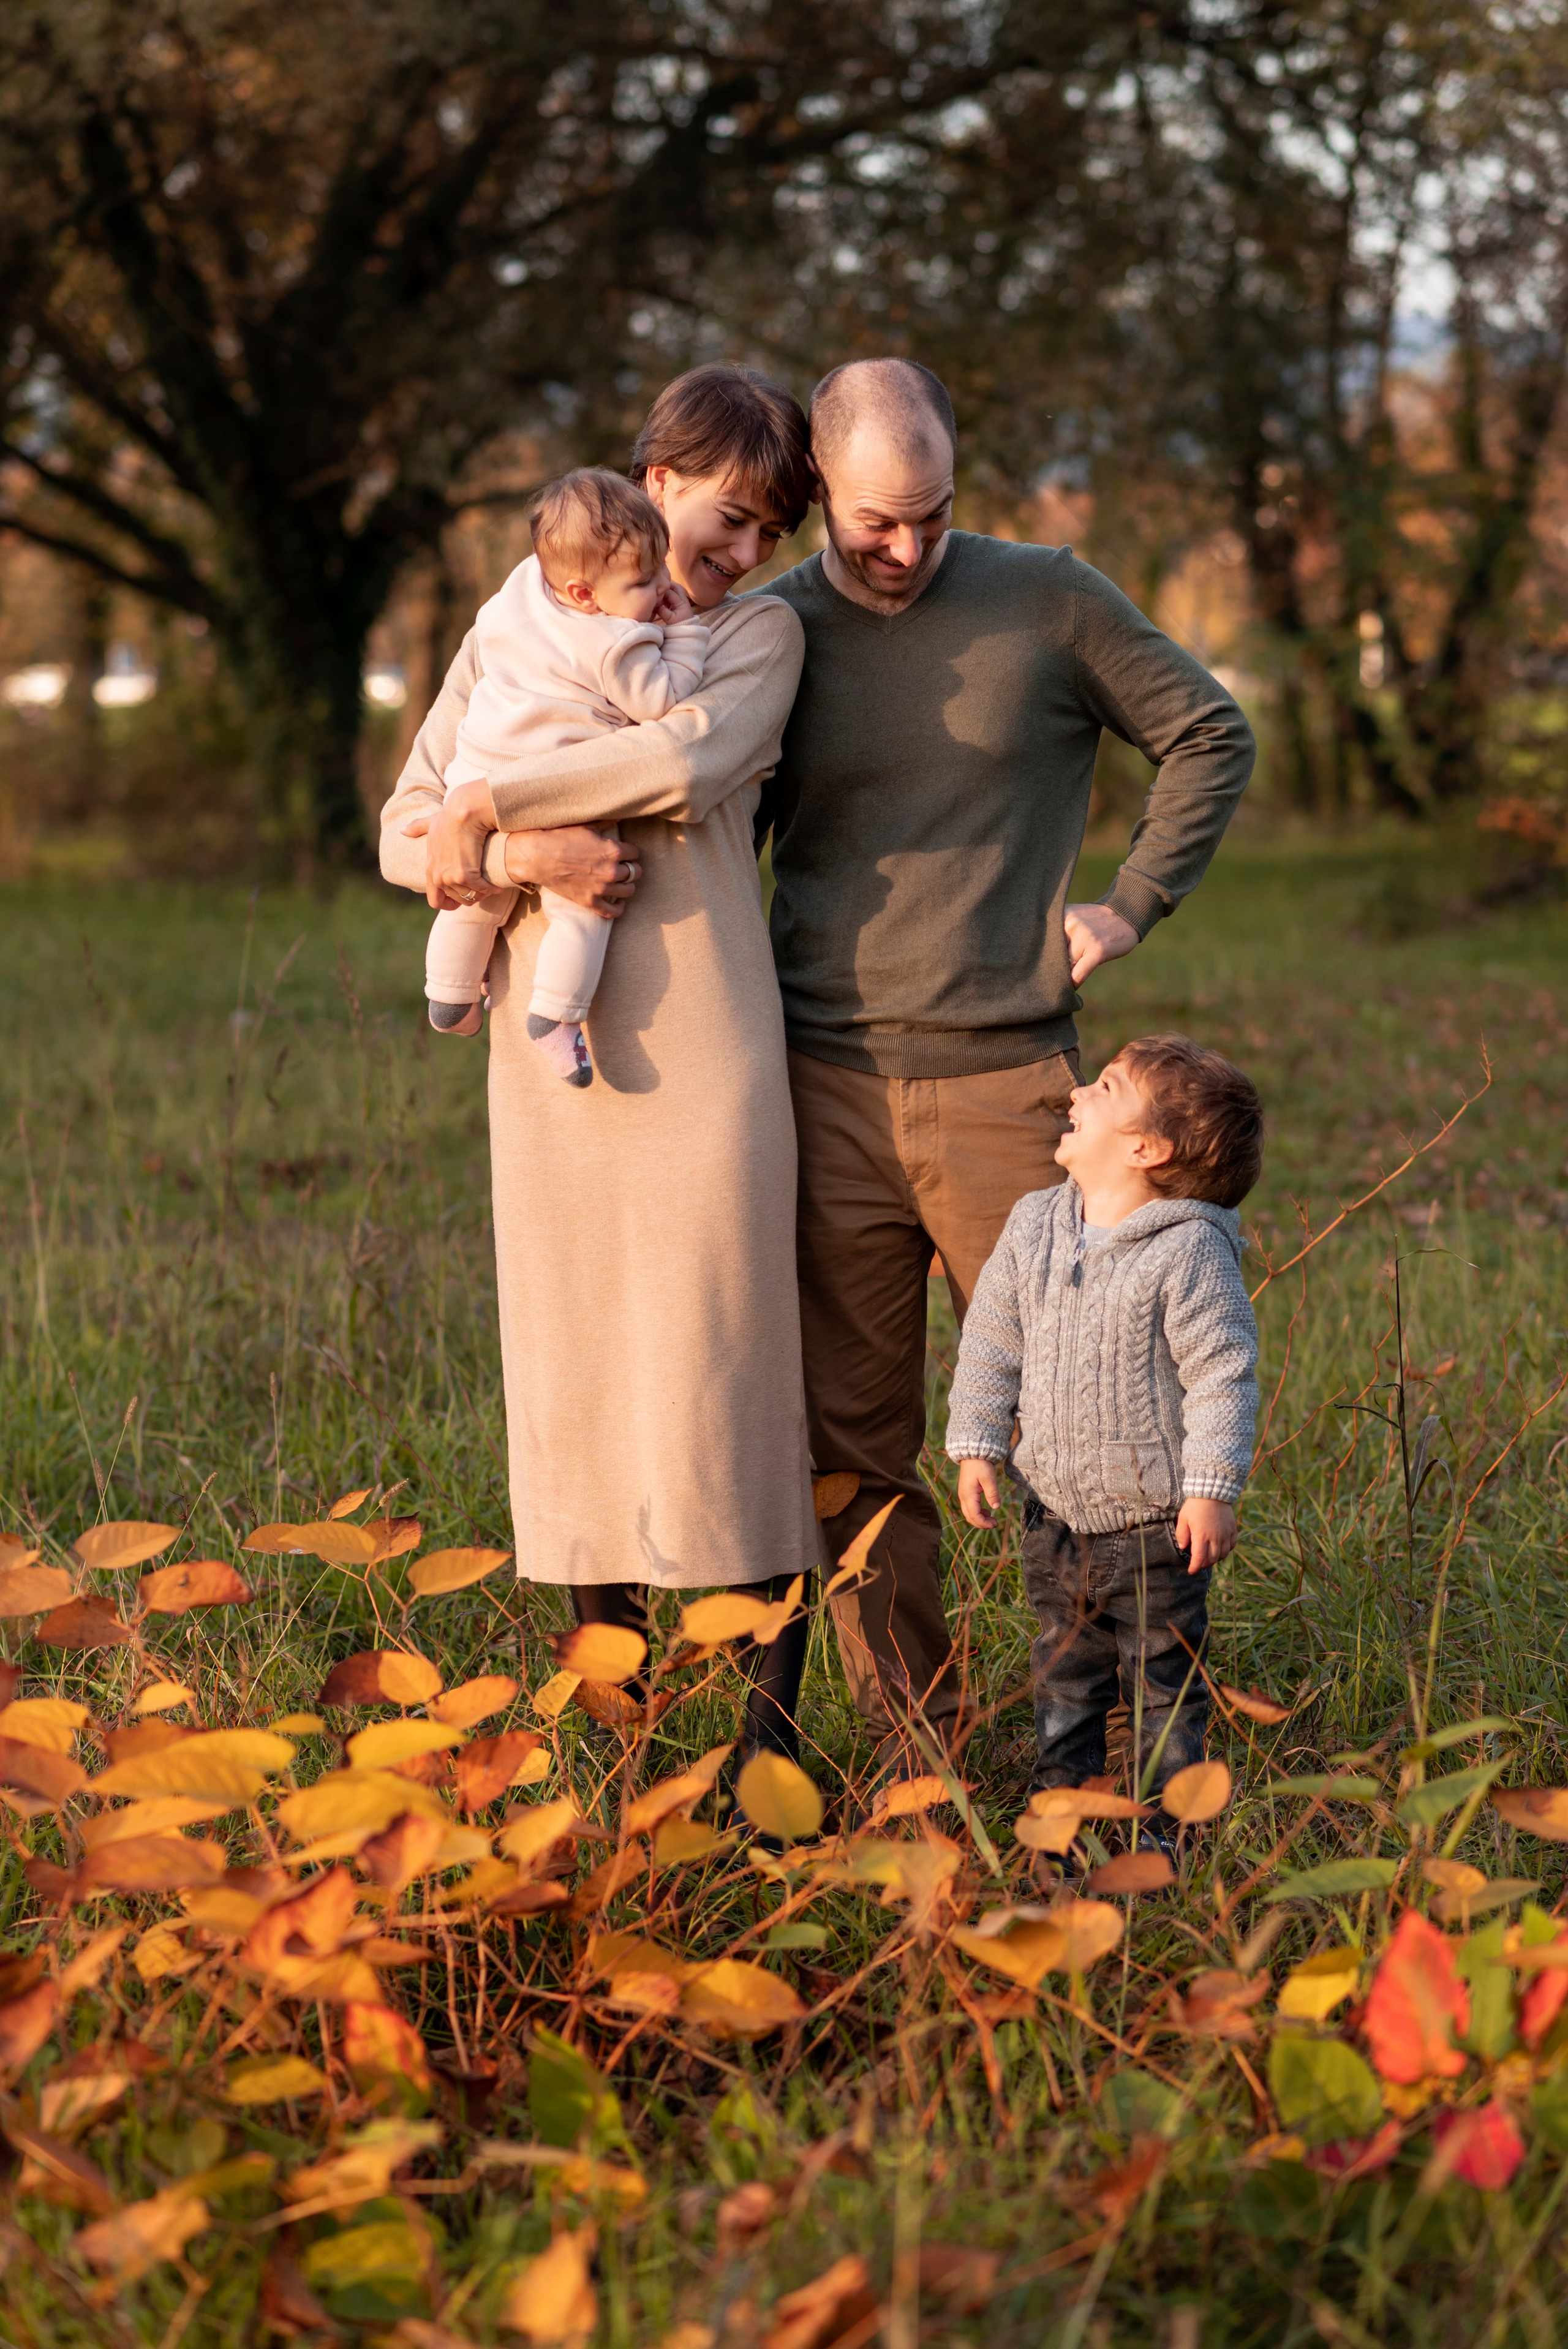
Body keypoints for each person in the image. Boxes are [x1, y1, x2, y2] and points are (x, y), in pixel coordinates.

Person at [757, 357, 1256, 1767]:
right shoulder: (768, 629)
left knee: (1092, 1427)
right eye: (874, 521)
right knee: (855, 1448)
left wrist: (1130, 900)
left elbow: (1206, 730)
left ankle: (1122, 1757)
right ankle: (913, 1757)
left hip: (1017, 1098)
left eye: (931, 515)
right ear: (816, 482)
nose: (905, 547)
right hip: (823, 1084)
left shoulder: (1045, 598)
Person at [379, 366, 819, 1760]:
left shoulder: (757, 635)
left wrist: (492, 803)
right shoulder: (517, 614)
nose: (744, 550)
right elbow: (403, 832)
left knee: (729, 1377)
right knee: (575, 1380)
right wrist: (516, 851)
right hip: (548, 1074)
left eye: (771, 532)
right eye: (730, 514)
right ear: (656, 479)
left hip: (708, 1058)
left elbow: (686, 765)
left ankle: (765, 1749)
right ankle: (623, 1745)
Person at [946, 1036, 1262, 1833]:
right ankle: (1059, 1823)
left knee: (1163, 1689)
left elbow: (1221, 1372)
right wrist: (977, 1440)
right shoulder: (1035, 1224)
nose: (1078, 1092)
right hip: (1052, 1519)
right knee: (1065, 1681)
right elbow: (991, 1338)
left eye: (1106, 1087)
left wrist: (1211, 1489)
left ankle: (1163, 1833)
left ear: (1145, 1149)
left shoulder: (1189, 1249)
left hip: (1155, 1530)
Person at [418, 469, 709, 1087]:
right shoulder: (617, 643)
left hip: (477, 768)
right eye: (643, 582)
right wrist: (683, 634)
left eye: (660, 569)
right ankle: (556, 1015)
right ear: (582, 593)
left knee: (475, 895)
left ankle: (449, 994)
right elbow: (662, 700)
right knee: (584, 909)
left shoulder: (516, 594)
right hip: (556, 789)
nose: (662, 586)